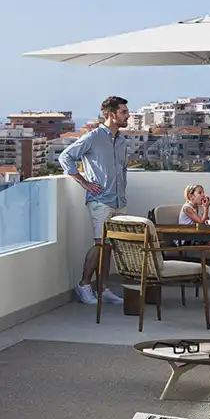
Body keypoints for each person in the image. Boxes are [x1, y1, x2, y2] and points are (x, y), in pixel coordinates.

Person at [61, 96, 131, 305]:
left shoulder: (121, 140)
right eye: (124, 112)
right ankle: (84, 285)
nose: (128, 115)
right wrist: (85, 183)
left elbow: (122, 168)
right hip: (100, 200)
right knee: (100, 245)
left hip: (118, 200)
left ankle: (103, 288)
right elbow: (65, 157)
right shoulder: (93, 137)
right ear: (111, 114)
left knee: (109, 247)